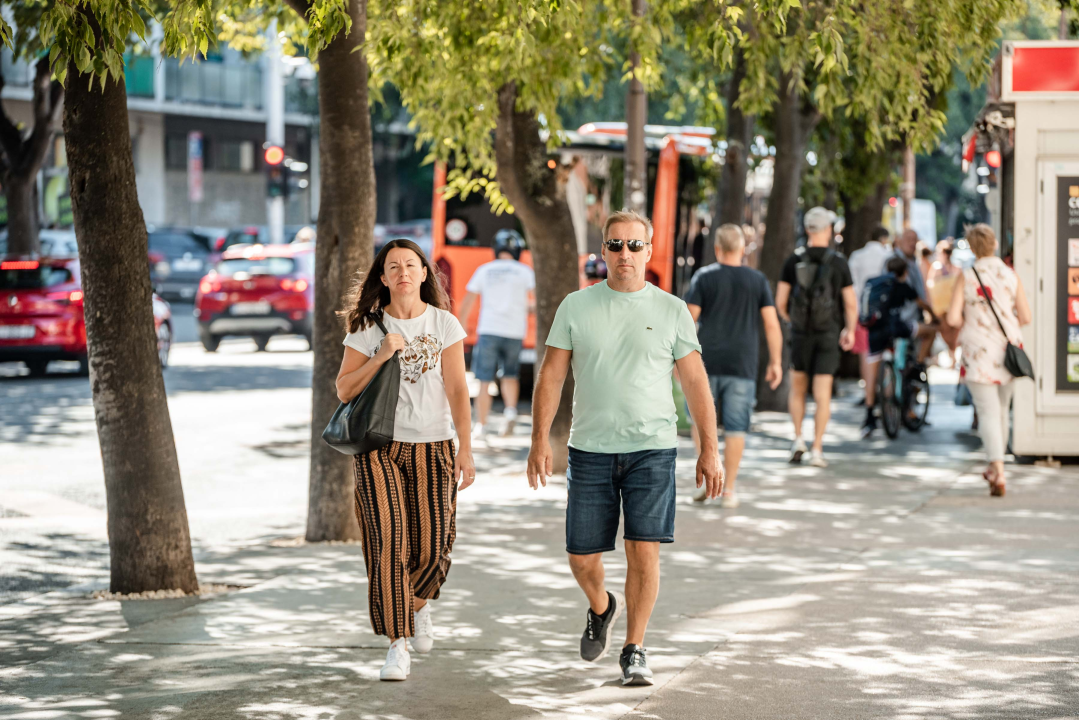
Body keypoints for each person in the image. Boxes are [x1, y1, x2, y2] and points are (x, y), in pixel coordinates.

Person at [526, 209, 723, 687]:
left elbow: (695, 380)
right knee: (581, 557)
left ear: (649, 251)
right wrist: (538, 442)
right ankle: (602, 606)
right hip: (589, 448)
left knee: (643, 553)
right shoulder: (576, 305)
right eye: (615, 245)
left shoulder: (672, 309)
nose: (625, 254)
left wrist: (709, 448)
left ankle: (634, 648)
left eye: (635, 245)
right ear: (603, 251)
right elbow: (550, 377)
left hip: (651, 449)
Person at [335, 239, 475, 682]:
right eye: (392, 266)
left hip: (435, 445)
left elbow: (456, 389)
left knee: (435, 549)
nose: (402, 272)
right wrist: (382, 354)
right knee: (388, 543)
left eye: (410, 265)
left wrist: (466, 449)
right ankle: (397, 644)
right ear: (383, 277)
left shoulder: (444, 323)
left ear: (423, 273)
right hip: (379, 447)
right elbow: (344, 389)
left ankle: (417, 606)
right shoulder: (367, 327)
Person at [684, 223, 782, 508]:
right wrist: (775, 361)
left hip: (706, 363)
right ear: (742, 249)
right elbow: (771, 324)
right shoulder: (757, 280)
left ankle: (705, 481)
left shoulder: (704, 277)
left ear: (716, 248)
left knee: (701, 423)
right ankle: (729, 490)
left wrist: (679, 362)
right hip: (742, 364)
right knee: (737, 427)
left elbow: (688, 320)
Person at [945, 224, 1032, 497]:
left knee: (987, 412)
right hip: (1009, 350)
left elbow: (952, 318)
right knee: (1002, 410)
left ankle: (997, 469)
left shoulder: (967, 275)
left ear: (971, 248)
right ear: (994, 244)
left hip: (979, 351)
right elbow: (1026, 316)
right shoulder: (1010, 274)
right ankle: (999, 466)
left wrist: (971, 321)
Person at [775, 207, 857, 467]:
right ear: (827, 230)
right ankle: (817, 448)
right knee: (822, 394)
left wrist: (793, 321)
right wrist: (849, 329)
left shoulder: (793, 259)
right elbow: (850, 303)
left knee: (797, 389)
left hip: (800, 334)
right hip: (827, 333)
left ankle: (798, 438)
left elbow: (781, 302)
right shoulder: (838, 262)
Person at [456, 231, 535, 441]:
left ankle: (481, 426)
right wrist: (525, 307)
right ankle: (510, 411)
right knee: (510, 374)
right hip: (515, 331)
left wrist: (461, 327)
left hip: (489, 330)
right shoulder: (524, 272)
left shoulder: (485, 270)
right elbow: (536, 302)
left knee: (484, 379)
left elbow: (468, 300)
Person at [848, 226, 893, 435]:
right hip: (884, 314)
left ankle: (869, 402)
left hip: (861, 313)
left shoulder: (857, 256)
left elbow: (851, 286)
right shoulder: (888, 256)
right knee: (885, 355)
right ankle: (887, 399)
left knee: (867, 357)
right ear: (884, 239)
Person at [892, 229, 939, 365]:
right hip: (903, 321)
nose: (912, 243)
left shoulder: (912, 261)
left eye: (914, 240)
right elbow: (917, 299)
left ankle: (914, 366)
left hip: (904, 320)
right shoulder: (899, 264)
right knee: (931, 331)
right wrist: (932, 315)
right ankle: (916, 366)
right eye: (908, 239)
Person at [927, 239, 961, 358]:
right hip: (942, 308)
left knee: (954, 332)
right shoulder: (937, 268)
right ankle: (952, 355)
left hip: (951, 306)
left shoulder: (956, 268)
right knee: (946, 332)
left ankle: (953, 355)